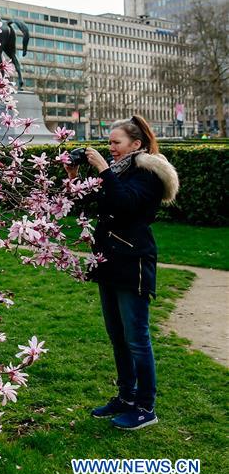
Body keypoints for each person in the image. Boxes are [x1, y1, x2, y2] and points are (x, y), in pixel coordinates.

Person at [66, 115, 179, 430]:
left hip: (133, 263)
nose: (111, 148)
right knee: (117, 336)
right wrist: (74, 178)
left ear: (136, 144)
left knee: (137, 338)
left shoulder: (148, 173)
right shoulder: (118, 172)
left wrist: (103, 169)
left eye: (116, 142)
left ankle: (145, 408)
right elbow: (90, 204)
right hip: (109, 261)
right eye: (109, 143)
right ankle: (126, 397)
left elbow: (125, 204)